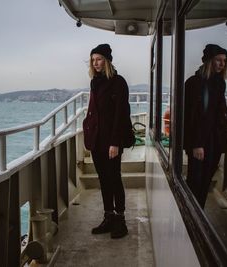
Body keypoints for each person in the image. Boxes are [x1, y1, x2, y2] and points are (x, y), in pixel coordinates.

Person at [82, 44, 132, 239]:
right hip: (97, 140)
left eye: (99, 59)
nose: (96, 63)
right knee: (103, 180)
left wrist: (115, 142)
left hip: (111, 141)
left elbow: (121, 114)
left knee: (114, 178)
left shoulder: (118, 82)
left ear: (107, 60)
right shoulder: (95, 82)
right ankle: (108, 217)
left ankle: (120, 220)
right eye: (93, 60)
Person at [184, 44, 227, 208]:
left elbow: (216, 114)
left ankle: (199, 212)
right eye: (218, 60)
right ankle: (191, 214)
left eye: (224, 61)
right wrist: (197, 144)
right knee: (195, 180)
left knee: (205, 181)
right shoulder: (194, 83)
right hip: (199, 141)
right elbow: (193, 117)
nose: (222, 64)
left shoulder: (219, 83)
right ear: (209, 61)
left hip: (214, 140)